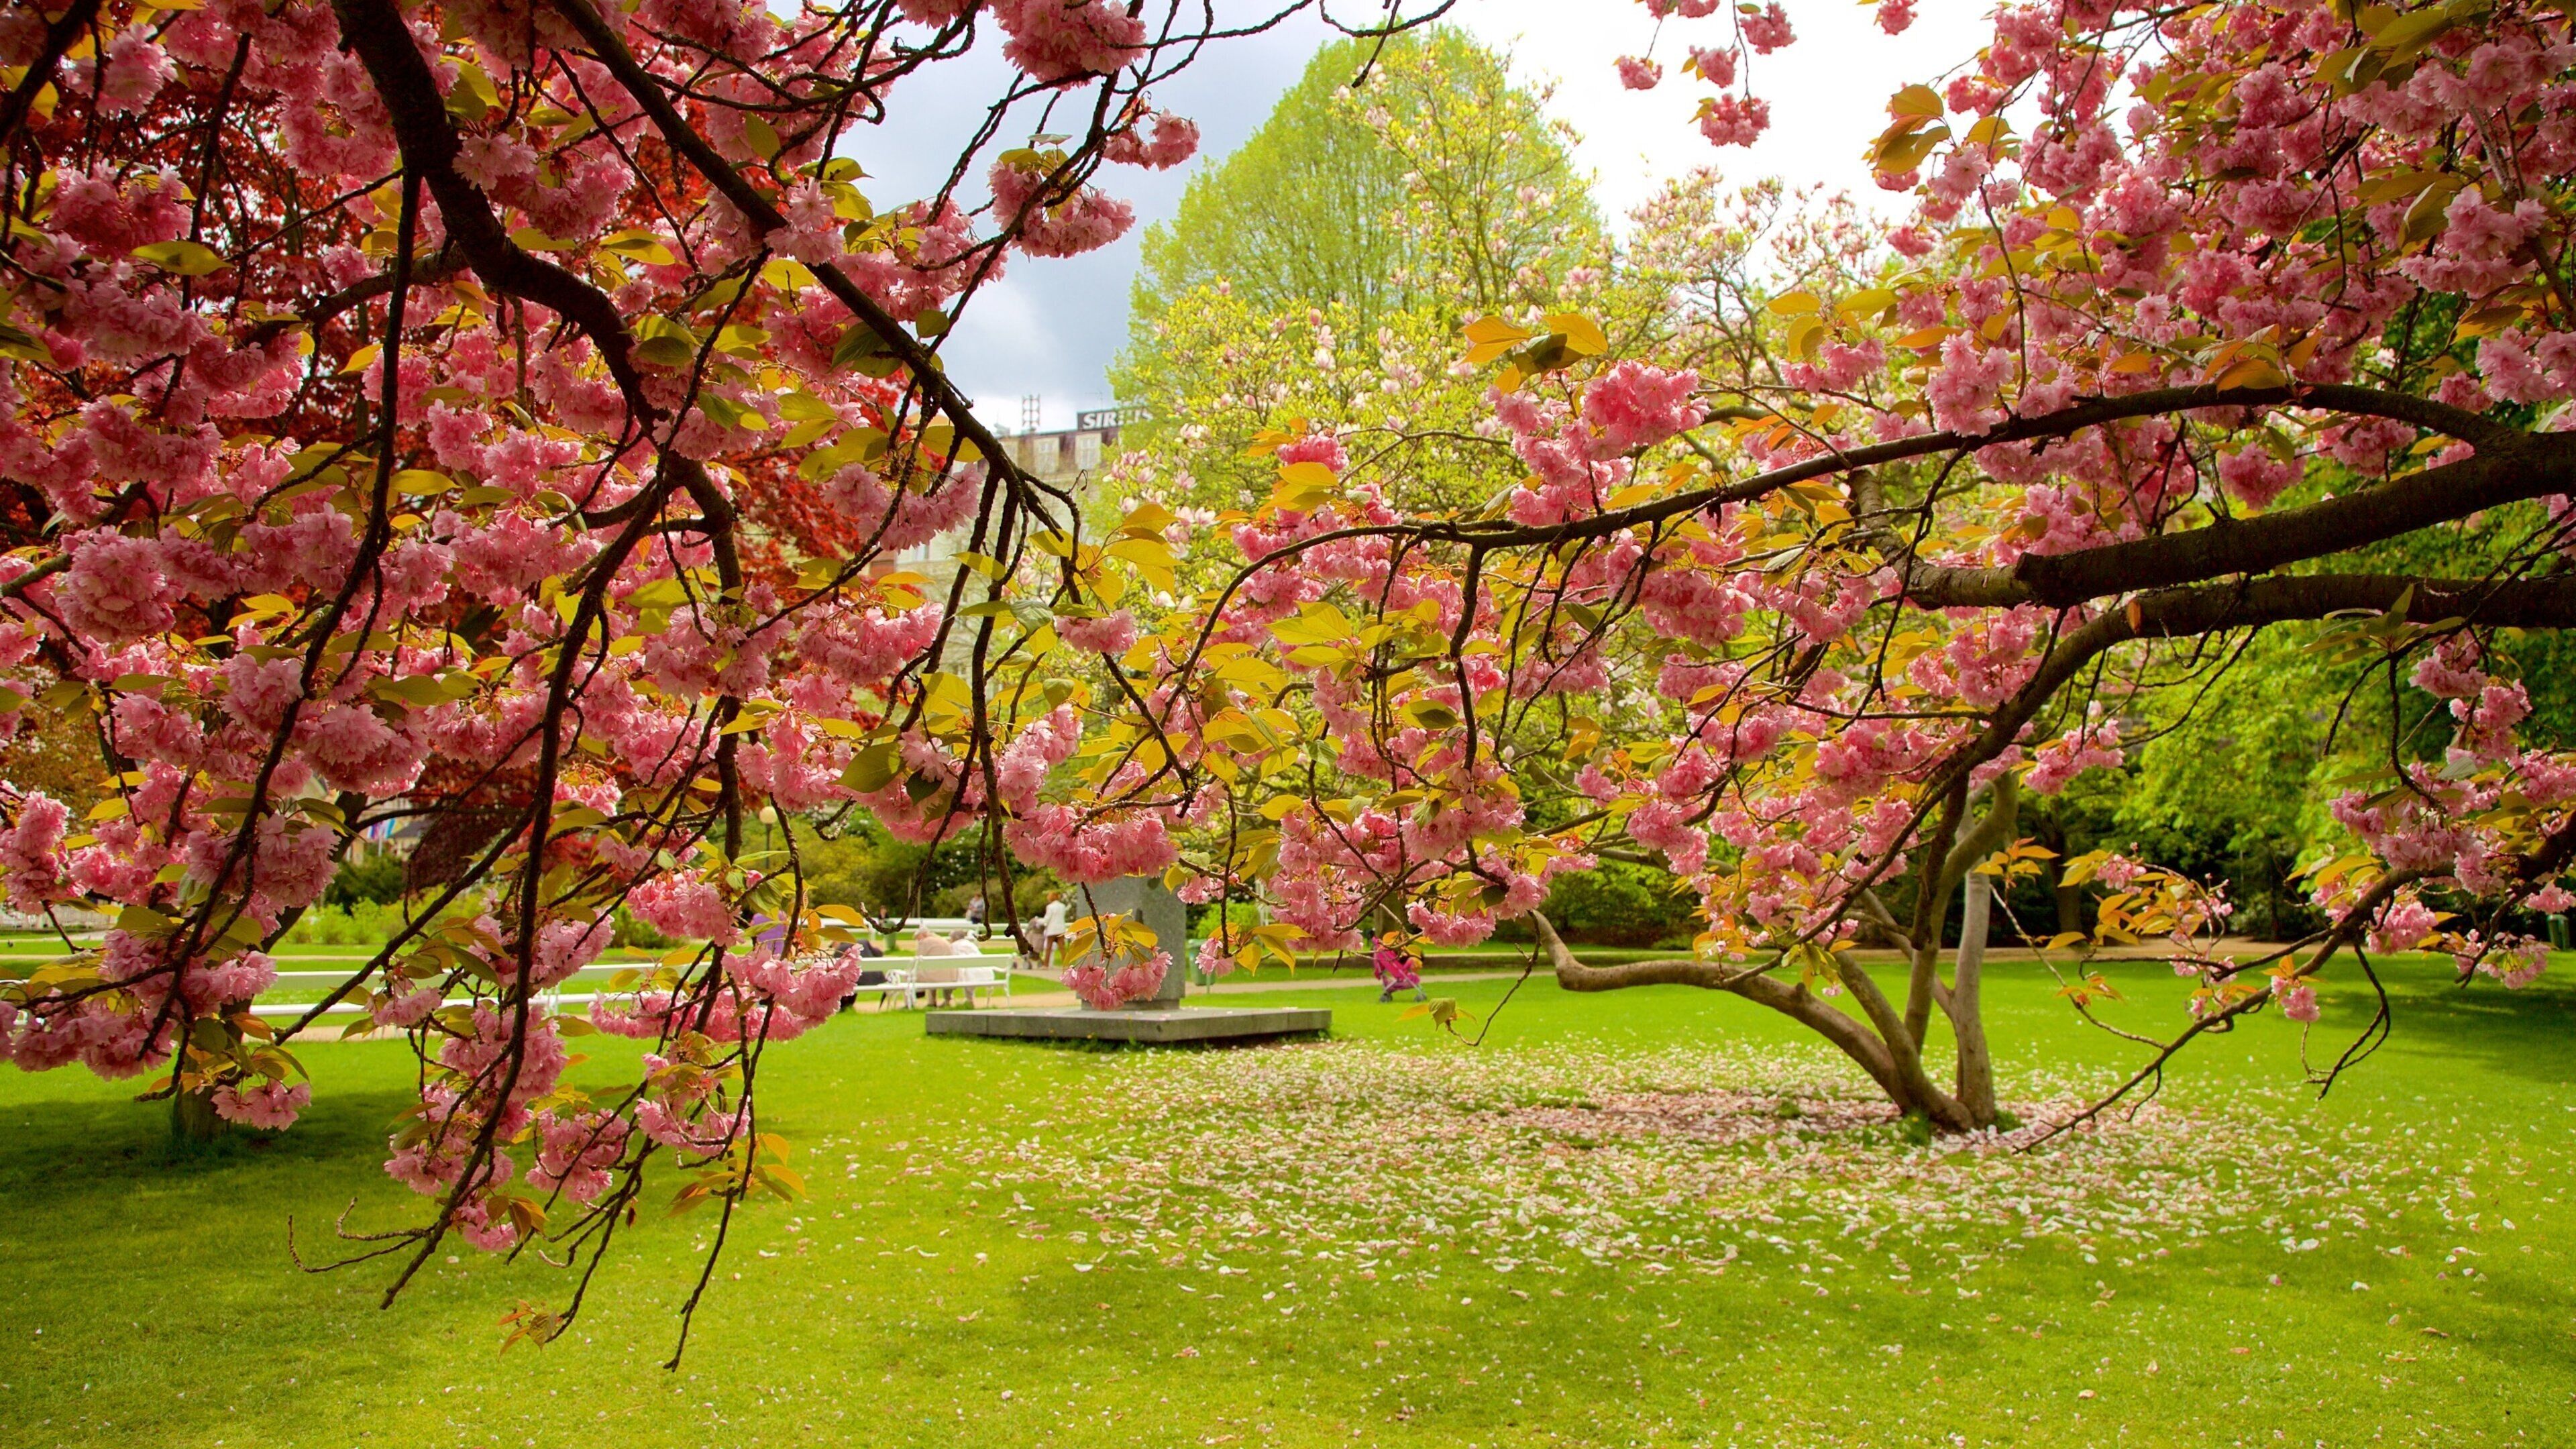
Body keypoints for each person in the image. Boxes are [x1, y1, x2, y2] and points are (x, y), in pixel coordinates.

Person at [1372, 933, 1426, 1004]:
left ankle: (1387, 993)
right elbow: (1394, 966)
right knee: (1410, 963)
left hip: (1400, 970)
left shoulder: (1388, 953)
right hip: (1400, 973)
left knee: (1410, 962)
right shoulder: (1383, 953)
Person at [1039, 895, 1068, 969]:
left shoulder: (1050, 907)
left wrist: (1038, 921)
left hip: (1052, 930)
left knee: (1048, 948)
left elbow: (1047, 919)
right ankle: (1066, 965)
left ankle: (1046, 965)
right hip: (1061, 929)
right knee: (1062, 948)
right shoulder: (1063, 906)